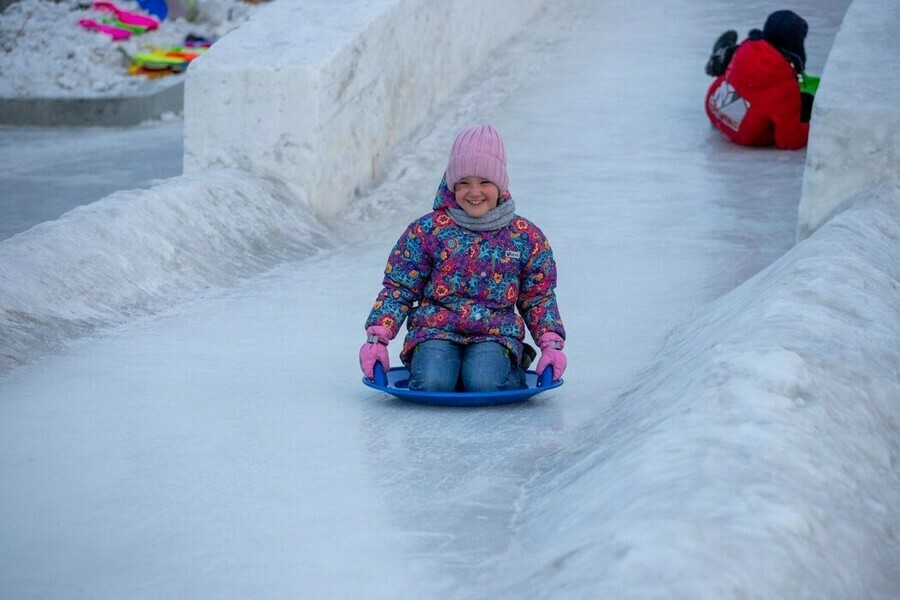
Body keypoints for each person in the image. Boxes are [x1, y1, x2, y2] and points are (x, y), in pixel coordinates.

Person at [359, 124, 567, 392]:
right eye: (464, 183)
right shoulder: (429, 230)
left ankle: (505, 369)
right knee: (433, 381)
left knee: (484, 381)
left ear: (501, 185)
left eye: (485, 182)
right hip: (435, 331)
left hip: (495, 335)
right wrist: (378, 338)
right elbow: (399, 288)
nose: (475, 192)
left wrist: (550, 342)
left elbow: (538, 296)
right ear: (452, 184)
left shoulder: (524, 236)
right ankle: (442, 368)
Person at [704, 10, 815, 150]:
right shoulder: (786, 87)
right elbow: (788, 140)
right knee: (806, 103)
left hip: (714, 108)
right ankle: (724, 56)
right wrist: (814, 127)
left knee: (741, 65)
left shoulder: (746, 47)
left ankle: (724, 54)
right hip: (743, 134)